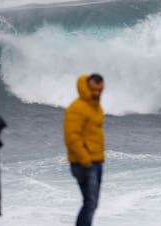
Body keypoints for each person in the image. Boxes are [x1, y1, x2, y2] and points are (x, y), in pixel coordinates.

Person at [64, 73, 105, 226]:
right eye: (94, 89)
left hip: (96, 161)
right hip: (85, 163)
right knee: (90, 202)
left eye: (100, 90)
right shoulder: (77, 108)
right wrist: (86, 161)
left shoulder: (95, 106)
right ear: (87, 86)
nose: (97, 93)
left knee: (91, 203)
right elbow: (71, 138)